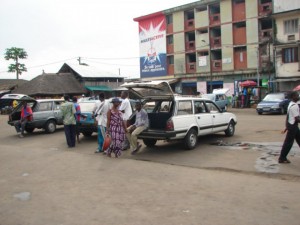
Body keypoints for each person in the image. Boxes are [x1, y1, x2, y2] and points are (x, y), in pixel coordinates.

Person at [278, 91, 300, 164]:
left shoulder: (291, 104)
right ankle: (282, 158)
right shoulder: (294, 106)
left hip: (292, 126)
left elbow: (289, 117)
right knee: (288, 143)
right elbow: (297, 119)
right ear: (293, 97)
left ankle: (282, 157)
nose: (298, 96)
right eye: (297, 95)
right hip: (293, 126)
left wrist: (287, 126)